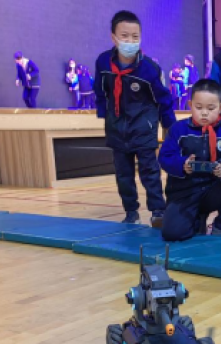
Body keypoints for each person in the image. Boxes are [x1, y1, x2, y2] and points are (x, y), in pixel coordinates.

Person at [95, 10, 176, 227]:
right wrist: (105, 116)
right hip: (117, 128)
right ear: (113, 37)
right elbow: (100, 92)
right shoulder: (103, 63)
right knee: (123, 174)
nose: (130, 41)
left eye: (135, 37)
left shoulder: (149, 69)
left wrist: (170, 126)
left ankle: (158, 210)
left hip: (143, 127)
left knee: (150, 172)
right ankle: (131, 212)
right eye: (124, 36)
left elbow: (164, 99)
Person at [158, 79, 221, 241]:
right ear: (190, 105)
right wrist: (182, 164)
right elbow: (164, 157)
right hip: (184, 193)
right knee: (173, 234)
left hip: (213, 190)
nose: (204, 113)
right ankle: (197, 218)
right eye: (199, 107)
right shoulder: (178, 129)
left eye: (211, 108)